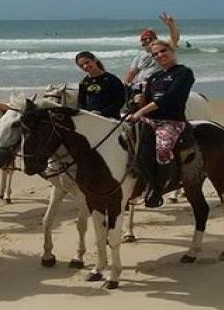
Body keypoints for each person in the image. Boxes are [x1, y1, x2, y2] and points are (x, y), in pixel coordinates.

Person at [126, 40, 195, 208]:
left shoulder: (184, 73)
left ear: (172, 50)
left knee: (163, 150)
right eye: (155, 54)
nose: (159, 55)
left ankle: (158, 189)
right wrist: (138, 101)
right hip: (149, 120)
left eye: (163, 51)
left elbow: (169, 98)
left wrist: (141, 112)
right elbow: (146, 101)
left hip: (171, 121)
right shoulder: (154, 77)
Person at [122, 12, 181, 98]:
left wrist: (171, 26)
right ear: (142, 42)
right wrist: (124, 82)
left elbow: (174, 39)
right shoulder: (139, 57)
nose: (148, 40)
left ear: (155, 39)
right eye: (145, 39)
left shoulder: (162, 52)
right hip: (140, 85)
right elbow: (131, 73)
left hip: (157, 83)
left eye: (150, 38)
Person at [75, 51, 125, 119]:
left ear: (95, 60)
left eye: (87, 62)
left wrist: (102, 113)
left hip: (110, 119)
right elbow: (81, 104)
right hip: (91, 118)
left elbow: (120, 101)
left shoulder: (111, 79)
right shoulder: (83, 82)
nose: (85, 66)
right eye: (81, 66)